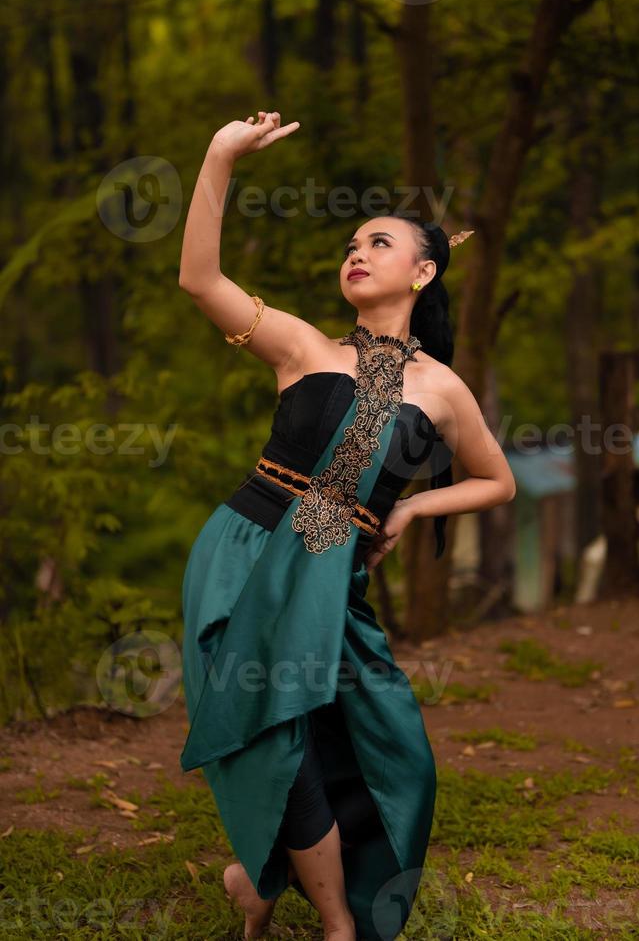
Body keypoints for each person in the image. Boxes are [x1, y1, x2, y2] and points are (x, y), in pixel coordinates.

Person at [177, 111, 516, 941]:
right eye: (350, 245)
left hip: (333, 573)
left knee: (393, 750)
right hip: (246, 550)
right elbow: (199, 279)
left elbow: (497, 482)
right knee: (271, 724)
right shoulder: (305, 348)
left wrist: (411, 503)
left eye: (379, 242)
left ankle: (257, 886)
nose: (355, 253)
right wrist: (221, 156)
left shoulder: (440, 388)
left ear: (424, 272)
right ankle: (335, 925)